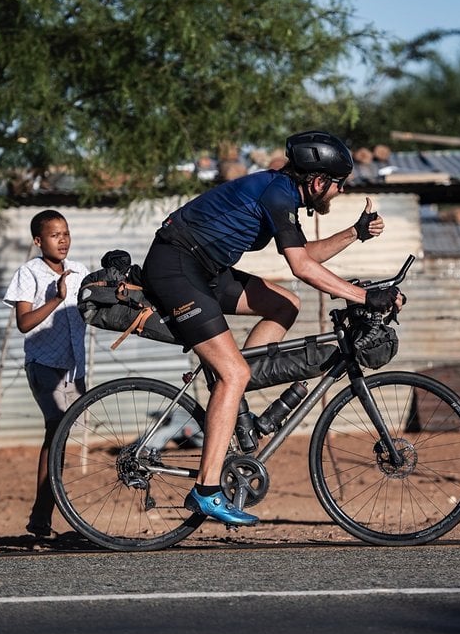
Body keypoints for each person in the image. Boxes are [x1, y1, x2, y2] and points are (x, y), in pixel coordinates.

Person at [141, 130, 402, 526]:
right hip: (176, 267)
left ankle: (235, 397)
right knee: (233, 372)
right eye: (338, 184)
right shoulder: (278, 193)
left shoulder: (281, 192)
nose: (340, 191)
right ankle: (206, 490)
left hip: (205, 270)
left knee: (285, 304)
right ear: (317, 182)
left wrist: (355, 233)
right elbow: (302, 267)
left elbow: (302, 255)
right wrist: (364, 298)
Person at [3, 209, 90, 538]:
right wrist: (56, 298)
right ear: (38, 241)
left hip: (74, 370)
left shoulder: (80, 270)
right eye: (55, 234)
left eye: (66, 233)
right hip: (44, 366)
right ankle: (41, 516)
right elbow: (24, 322)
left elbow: (93, 309)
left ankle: (43, 517)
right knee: (56, 429)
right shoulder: (30, 273)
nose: (63, 239)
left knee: (61, 439)